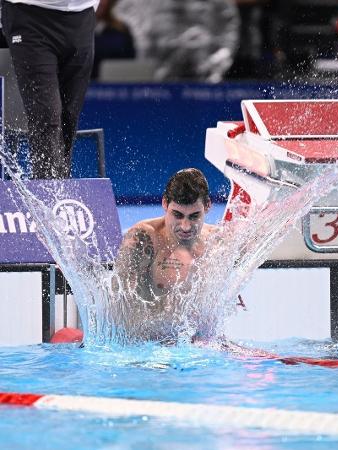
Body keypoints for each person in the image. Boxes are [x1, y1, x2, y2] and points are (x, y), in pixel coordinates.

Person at [113, 168, 217, 343]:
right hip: (147, 349)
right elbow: (117, 304)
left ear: (207, 206)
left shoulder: (217, 242)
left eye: (194, 216)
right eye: (177, 215)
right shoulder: (144, 239)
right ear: (164, 203)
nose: (185, 226)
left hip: (196, 351)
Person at [1, 0, 99, 179]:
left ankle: (60, 187)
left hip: (81, 16)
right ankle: (48, 191)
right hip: (29, 15)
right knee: (46, 116)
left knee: (68, 119)